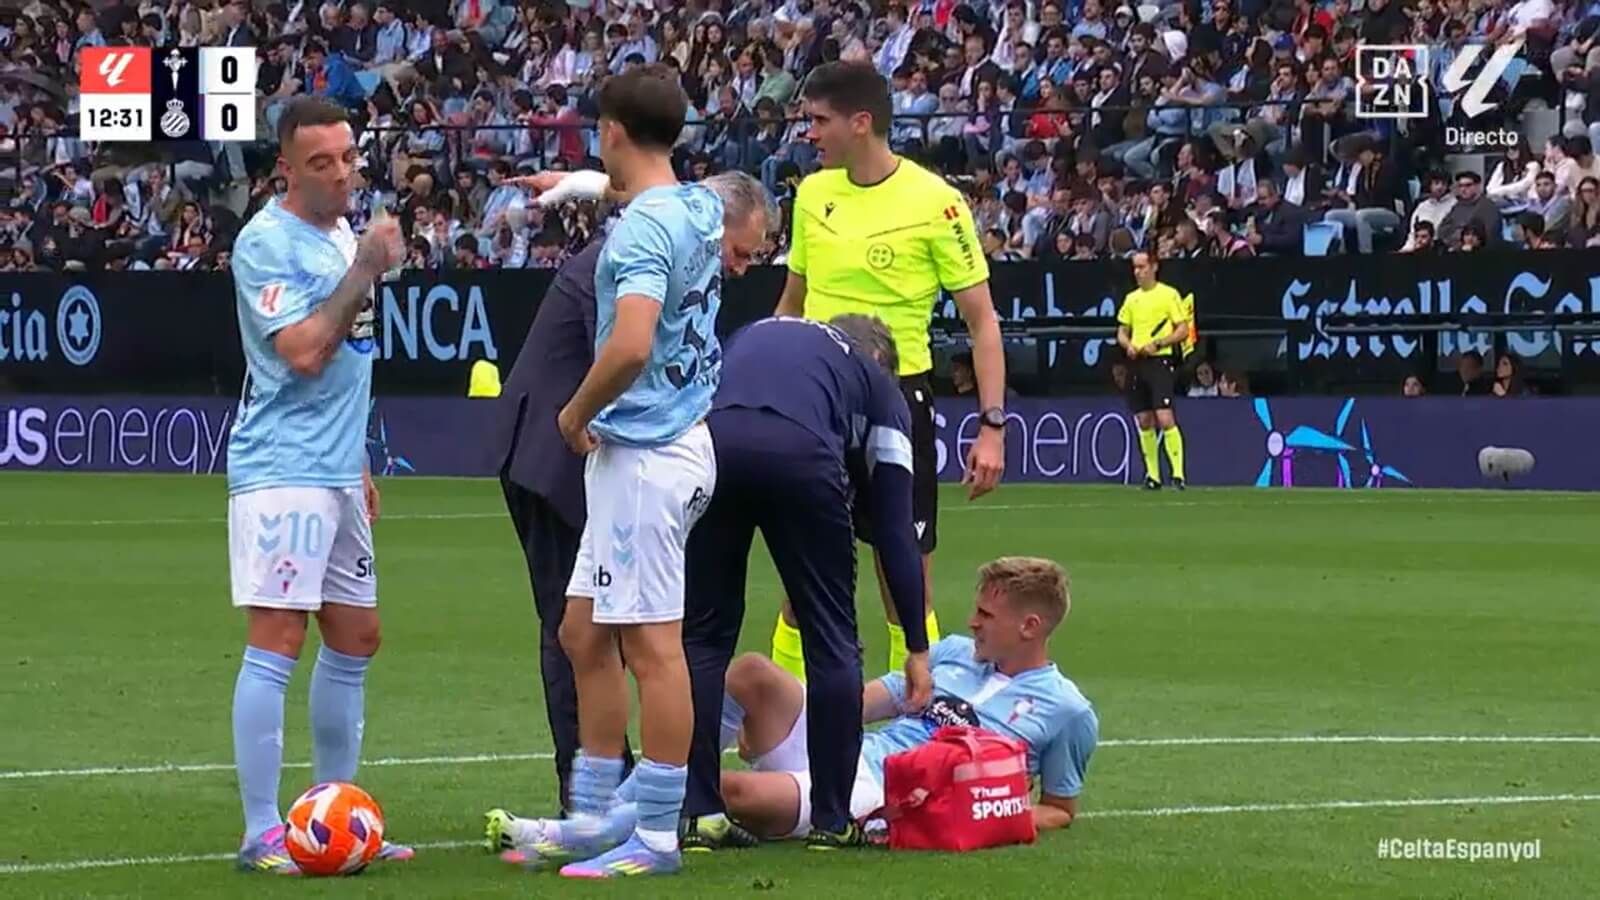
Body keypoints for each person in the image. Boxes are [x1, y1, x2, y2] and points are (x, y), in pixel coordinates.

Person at [485, 167, 773, 842]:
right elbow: (626, 351)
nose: (739, 269)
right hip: (571, 453)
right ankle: (606, 806)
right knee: (593, 633)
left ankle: (616, 814)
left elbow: (643, 187)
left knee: (604, 634)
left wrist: (583, 182)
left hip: (618, 449)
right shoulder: (653, 250)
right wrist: (578, 416)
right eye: (742, 250)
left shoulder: (665, 233)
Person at [510, 65, 724, 880]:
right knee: (582, 632)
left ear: (609, 130)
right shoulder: (696, 204)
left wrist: (573, 413)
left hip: (643, 453)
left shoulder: (638, 234)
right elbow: (643, 184)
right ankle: (596, 814)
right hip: (668, 441)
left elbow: (630, 344)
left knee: (652, 647)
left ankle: (658, 836)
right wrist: (579, 182)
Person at [770, 60, 1009, 681]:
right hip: (812, 398)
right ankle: (784, 722)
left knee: (903, 573)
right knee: (804, 576)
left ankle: (924, 712)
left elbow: (983, 321)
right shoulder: (813, 194)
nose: (810, 134)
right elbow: (792, 302)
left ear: (862, 122)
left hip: (894, 399)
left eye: (819, 121)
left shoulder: (938, 203)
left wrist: (992, 426)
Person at [224, 96, 409, 875]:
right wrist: (366, 268)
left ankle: (335, 815)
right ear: (286, 170)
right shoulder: (266, 243)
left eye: (350, 158)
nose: (342, 174)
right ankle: (263, 830)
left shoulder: (339, 234)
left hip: (334, 469)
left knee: (356, 636)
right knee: (280, 638)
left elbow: (350, 366)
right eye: (322, 162)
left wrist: (361, 459)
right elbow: (303, 352)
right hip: (282, 469)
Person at [680, 314, 936, 850]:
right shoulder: (880, 388)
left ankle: (699, 814)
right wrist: (915, 644)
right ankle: (831, 820)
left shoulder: (760, 332)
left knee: (702, 638)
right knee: (832, 638)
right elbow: (895, 530)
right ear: (881, 361)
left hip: (711, 441)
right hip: (800, 451)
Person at [717, 557, 1096, 840]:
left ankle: (678, 801)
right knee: (753, 672)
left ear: (1029, 627)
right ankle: (684, 767)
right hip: (855, 747)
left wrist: (986, 814)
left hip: (878, 793)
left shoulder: (1067, 709)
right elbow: (860, 706)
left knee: (735, 791)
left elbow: (1059, 809)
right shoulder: (954, 651)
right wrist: (778, 723)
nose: (972, 622)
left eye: (986, 615)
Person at [1116, 251, 1190, 490]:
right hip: (1138, 362)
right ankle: (1153, 476)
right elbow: (1122, 331)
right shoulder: (1131, 299)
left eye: (1142, 267)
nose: (1138, 272)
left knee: (1164, 416)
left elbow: (1182, 330)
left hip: (1159, 361)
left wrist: (1158, 344)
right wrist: (1129, 346)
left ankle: (1178, 474)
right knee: (1144, 419)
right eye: (1135, 268)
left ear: (1154, 267)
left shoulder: (1169, 295)